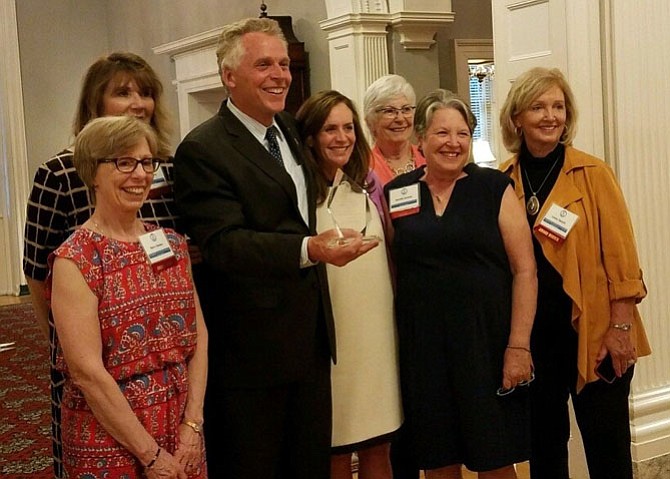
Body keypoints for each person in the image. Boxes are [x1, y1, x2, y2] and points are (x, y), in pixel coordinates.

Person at [173, 18, 377, 479]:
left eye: (283, 64)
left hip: (309, 342)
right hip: (249, 352)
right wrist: (311, 249)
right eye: (264, 64)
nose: (280, 75)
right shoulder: (203, 149)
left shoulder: (288, 126)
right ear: (229, 76)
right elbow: (224, 245)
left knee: (309, 466)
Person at [22, 51, 178, 479]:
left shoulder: (162, 167)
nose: (138, 103)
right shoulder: (59, 173)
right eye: (122, 92)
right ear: (95, 102)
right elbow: (38, 272)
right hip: (95, 360)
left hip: (159, 354)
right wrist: (65, 341)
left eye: (146, 93)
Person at [498, 66, 651, 479]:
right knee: (545, 451)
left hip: (596, 334)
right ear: (517, 118)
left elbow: (623, 258)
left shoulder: (592, 173)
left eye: (558, 106)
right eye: (538, 107)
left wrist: (620, 329)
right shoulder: (502, 180)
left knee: (608, 450)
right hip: (536, 340)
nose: (551, 116)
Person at [385, 89, 537, 479]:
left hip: (484, 344)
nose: (453, 143)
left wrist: (518, 346)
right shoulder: (397, 192)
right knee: (437, 459)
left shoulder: (493, 188)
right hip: (424, 350)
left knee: (495, 457)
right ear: (420, 138)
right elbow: (392, 271)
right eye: (441, 133)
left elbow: (525, 271)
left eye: (462, 134)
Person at [48, 115, 208, 478]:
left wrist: (193, 425)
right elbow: (87, 372)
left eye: (147, 162)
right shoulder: (75, 260)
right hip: (110, 437)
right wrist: (150, 455)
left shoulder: (171, 243)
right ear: (93, 172)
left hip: (181, 426)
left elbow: (199, 336)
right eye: (124, 162)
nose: (140, 174)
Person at [296, 90, 402, 479]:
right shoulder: (300, 196)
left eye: (347, 128)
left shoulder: (366, 187)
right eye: (329, 129)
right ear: (309, 137)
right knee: (334, 451)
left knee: (379, 446)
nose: (341, 137)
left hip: (377, 337)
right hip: (330, 343)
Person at [363, 74, 426, 186]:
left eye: (406, 109)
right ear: (370, 120)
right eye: (389, 111)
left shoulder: (428, 157)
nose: (400, 119)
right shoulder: (363, 167)